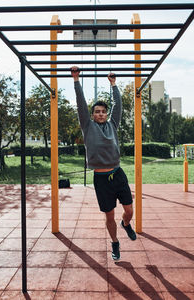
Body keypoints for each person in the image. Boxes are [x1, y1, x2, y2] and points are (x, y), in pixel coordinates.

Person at [71, 66, 136, 261]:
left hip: (117, 173)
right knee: (109, 216)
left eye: (103, 112)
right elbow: (81, 104)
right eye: (97, 112)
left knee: (129, 210)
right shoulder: (87, 126)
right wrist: (76, 80)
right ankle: (115, 242)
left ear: (106, 114)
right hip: (100, 178)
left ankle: (126, 224)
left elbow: (119, 105)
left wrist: (114, 84)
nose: (100, 114)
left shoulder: (112, 125)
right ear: (92, 115)